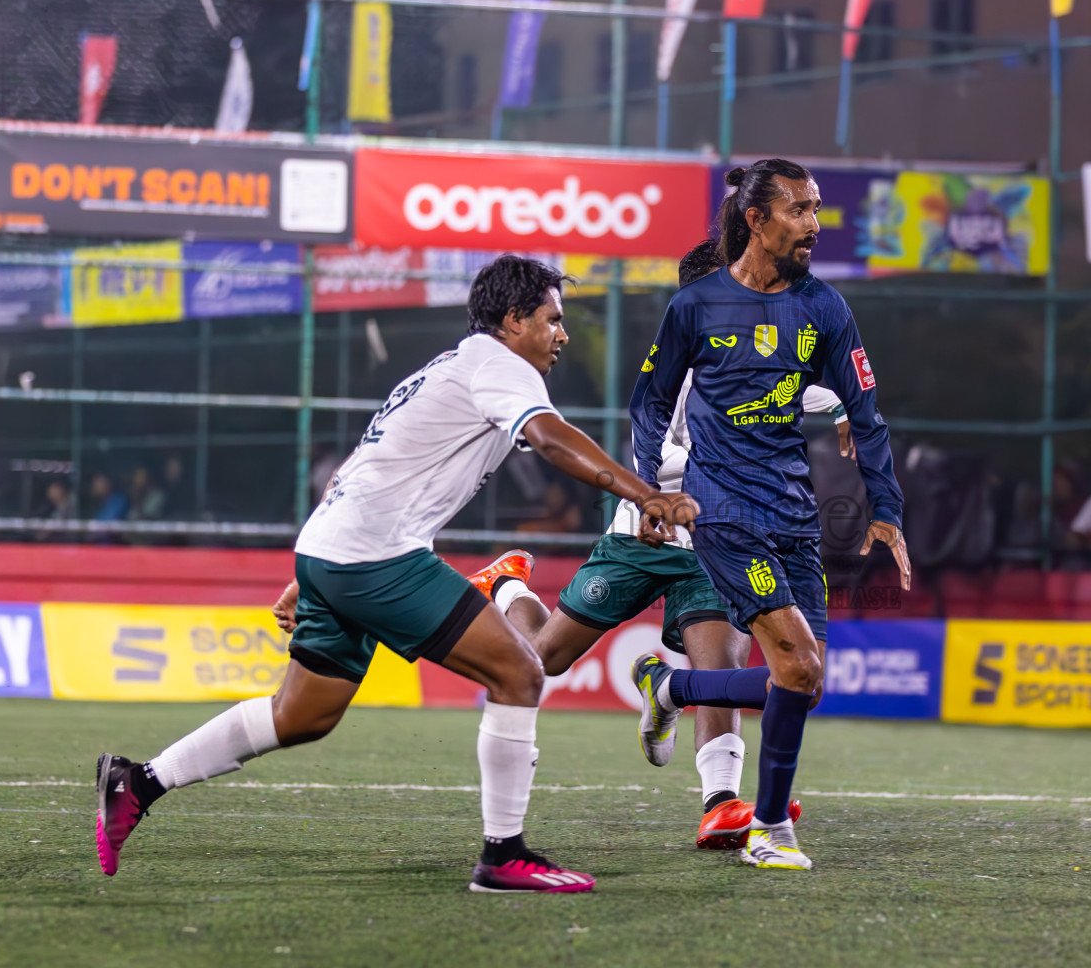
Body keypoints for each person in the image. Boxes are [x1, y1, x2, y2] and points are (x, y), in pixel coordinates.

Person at [93, 256, 697, 894]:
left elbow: (373, 461)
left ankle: (139, 782)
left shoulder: (448, 367)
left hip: (337, 549)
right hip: (375, 555)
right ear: (513, 320)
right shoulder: (499, 365)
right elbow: (549, 437)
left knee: (301, 714)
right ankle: (504, 855)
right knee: (518, 672)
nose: (562, 334)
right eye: (552, 318)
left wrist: (317, 568)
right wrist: (646, 494)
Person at [469, 240, 853, 851]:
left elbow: (799, 394)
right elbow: (653, 441)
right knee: (545, 659)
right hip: (644, 534)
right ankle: (509, 585)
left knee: (721, 665)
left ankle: (719, 804)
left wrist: (839, 406)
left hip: (717, 539)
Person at [625, 159, 910, 871]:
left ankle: (673, 686)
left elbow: (865, 415)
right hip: (721, 510)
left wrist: (887, 508)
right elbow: (651, 401)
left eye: (816, 209)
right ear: (756, 219)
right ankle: (770, 829)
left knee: (805, 681)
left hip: (793, 510)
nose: (814, 224)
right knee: (796, 660)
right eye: (800, 210)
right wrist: (647, 492)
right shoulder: (696, 306)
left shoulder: (825, 308)